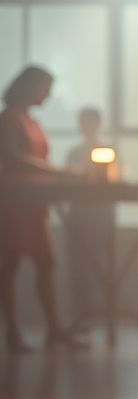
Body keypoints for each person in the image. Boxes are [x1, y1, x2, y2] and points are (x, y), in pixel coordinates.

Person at [0, 66, 81, 353]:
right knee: (11, 265)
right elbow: (12, 157)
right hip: (16, 199)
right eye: (45, 88)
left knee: (45, 262)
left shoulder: (32, 121)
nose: (48, 95)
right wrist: (58, 172)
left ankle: (54, 329)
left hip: (35, 199)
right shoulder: (9, 118)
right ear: (30, 87)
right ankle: (12, 332)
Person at [65, 107, 115, 321]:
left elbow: (114, 179)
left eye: (89, 122)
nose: (86, 126)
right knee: (79, 265)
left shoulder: (108, 151)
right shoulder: (73, 153)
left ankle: (107, 309)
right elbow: (66, 180)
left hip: (101, 214)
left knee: (106, 263)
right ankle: (83, 311)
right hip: (79, 214)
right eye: (82, 122)